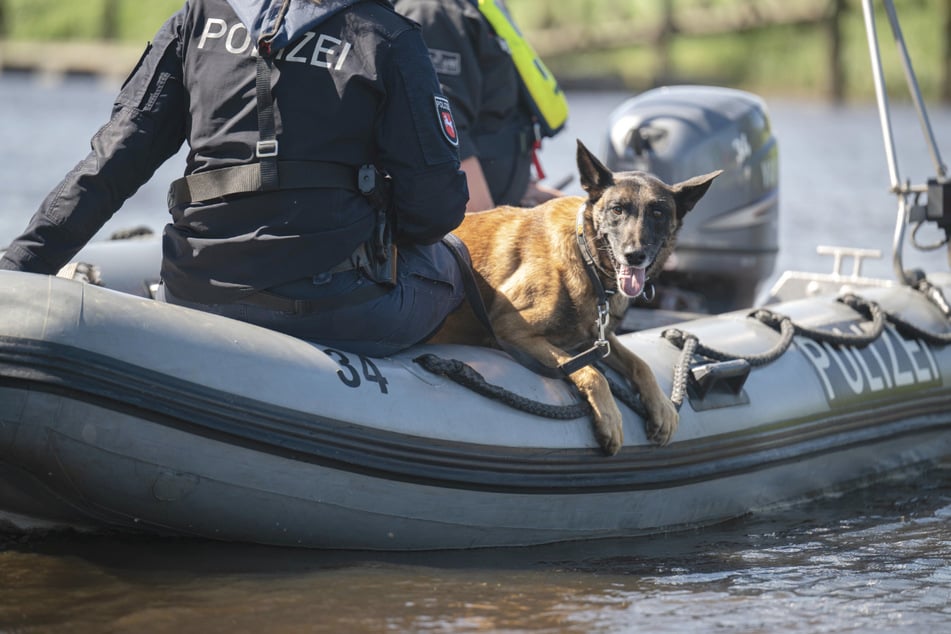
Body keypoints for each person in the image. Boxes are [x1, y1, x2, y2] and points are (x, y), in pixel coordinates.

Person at [0, 0, 469, 357]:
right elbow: (434, 209)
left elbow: (111, 164)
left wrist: (16, 272)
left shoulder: (199, 15)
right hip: (332, 310)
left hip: (195, 293)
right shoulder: (387, 36)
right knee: (454, 265)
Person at [393, 0, 568, 211]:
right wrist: (488, 227)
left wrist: (526, 190)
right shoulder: (434, 11)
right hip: (475, 224)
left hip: (505, 205)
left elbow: (493, 114)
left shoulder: (475, 6)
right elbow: (445, 132)